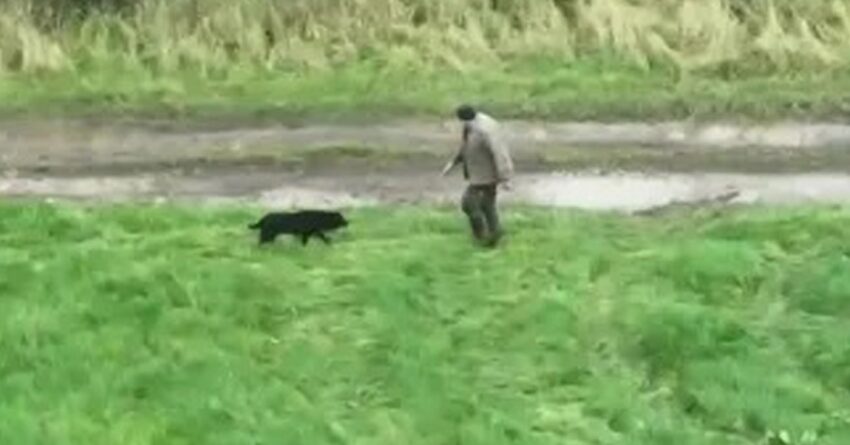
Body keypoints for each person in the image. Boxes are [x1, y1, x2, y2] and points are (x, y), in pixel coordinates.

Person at [441, 104, 514, 247]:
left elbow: (500, 153)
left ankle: (482, 235)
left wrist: (505, 177)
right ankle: (494, 236)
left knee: (469, 204)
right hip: (478, 173)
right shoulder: (472, 126)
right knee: (487, 206)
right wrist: (454, 162)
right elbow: (467, 146)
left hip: (486, 176)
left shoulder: (485, 130)